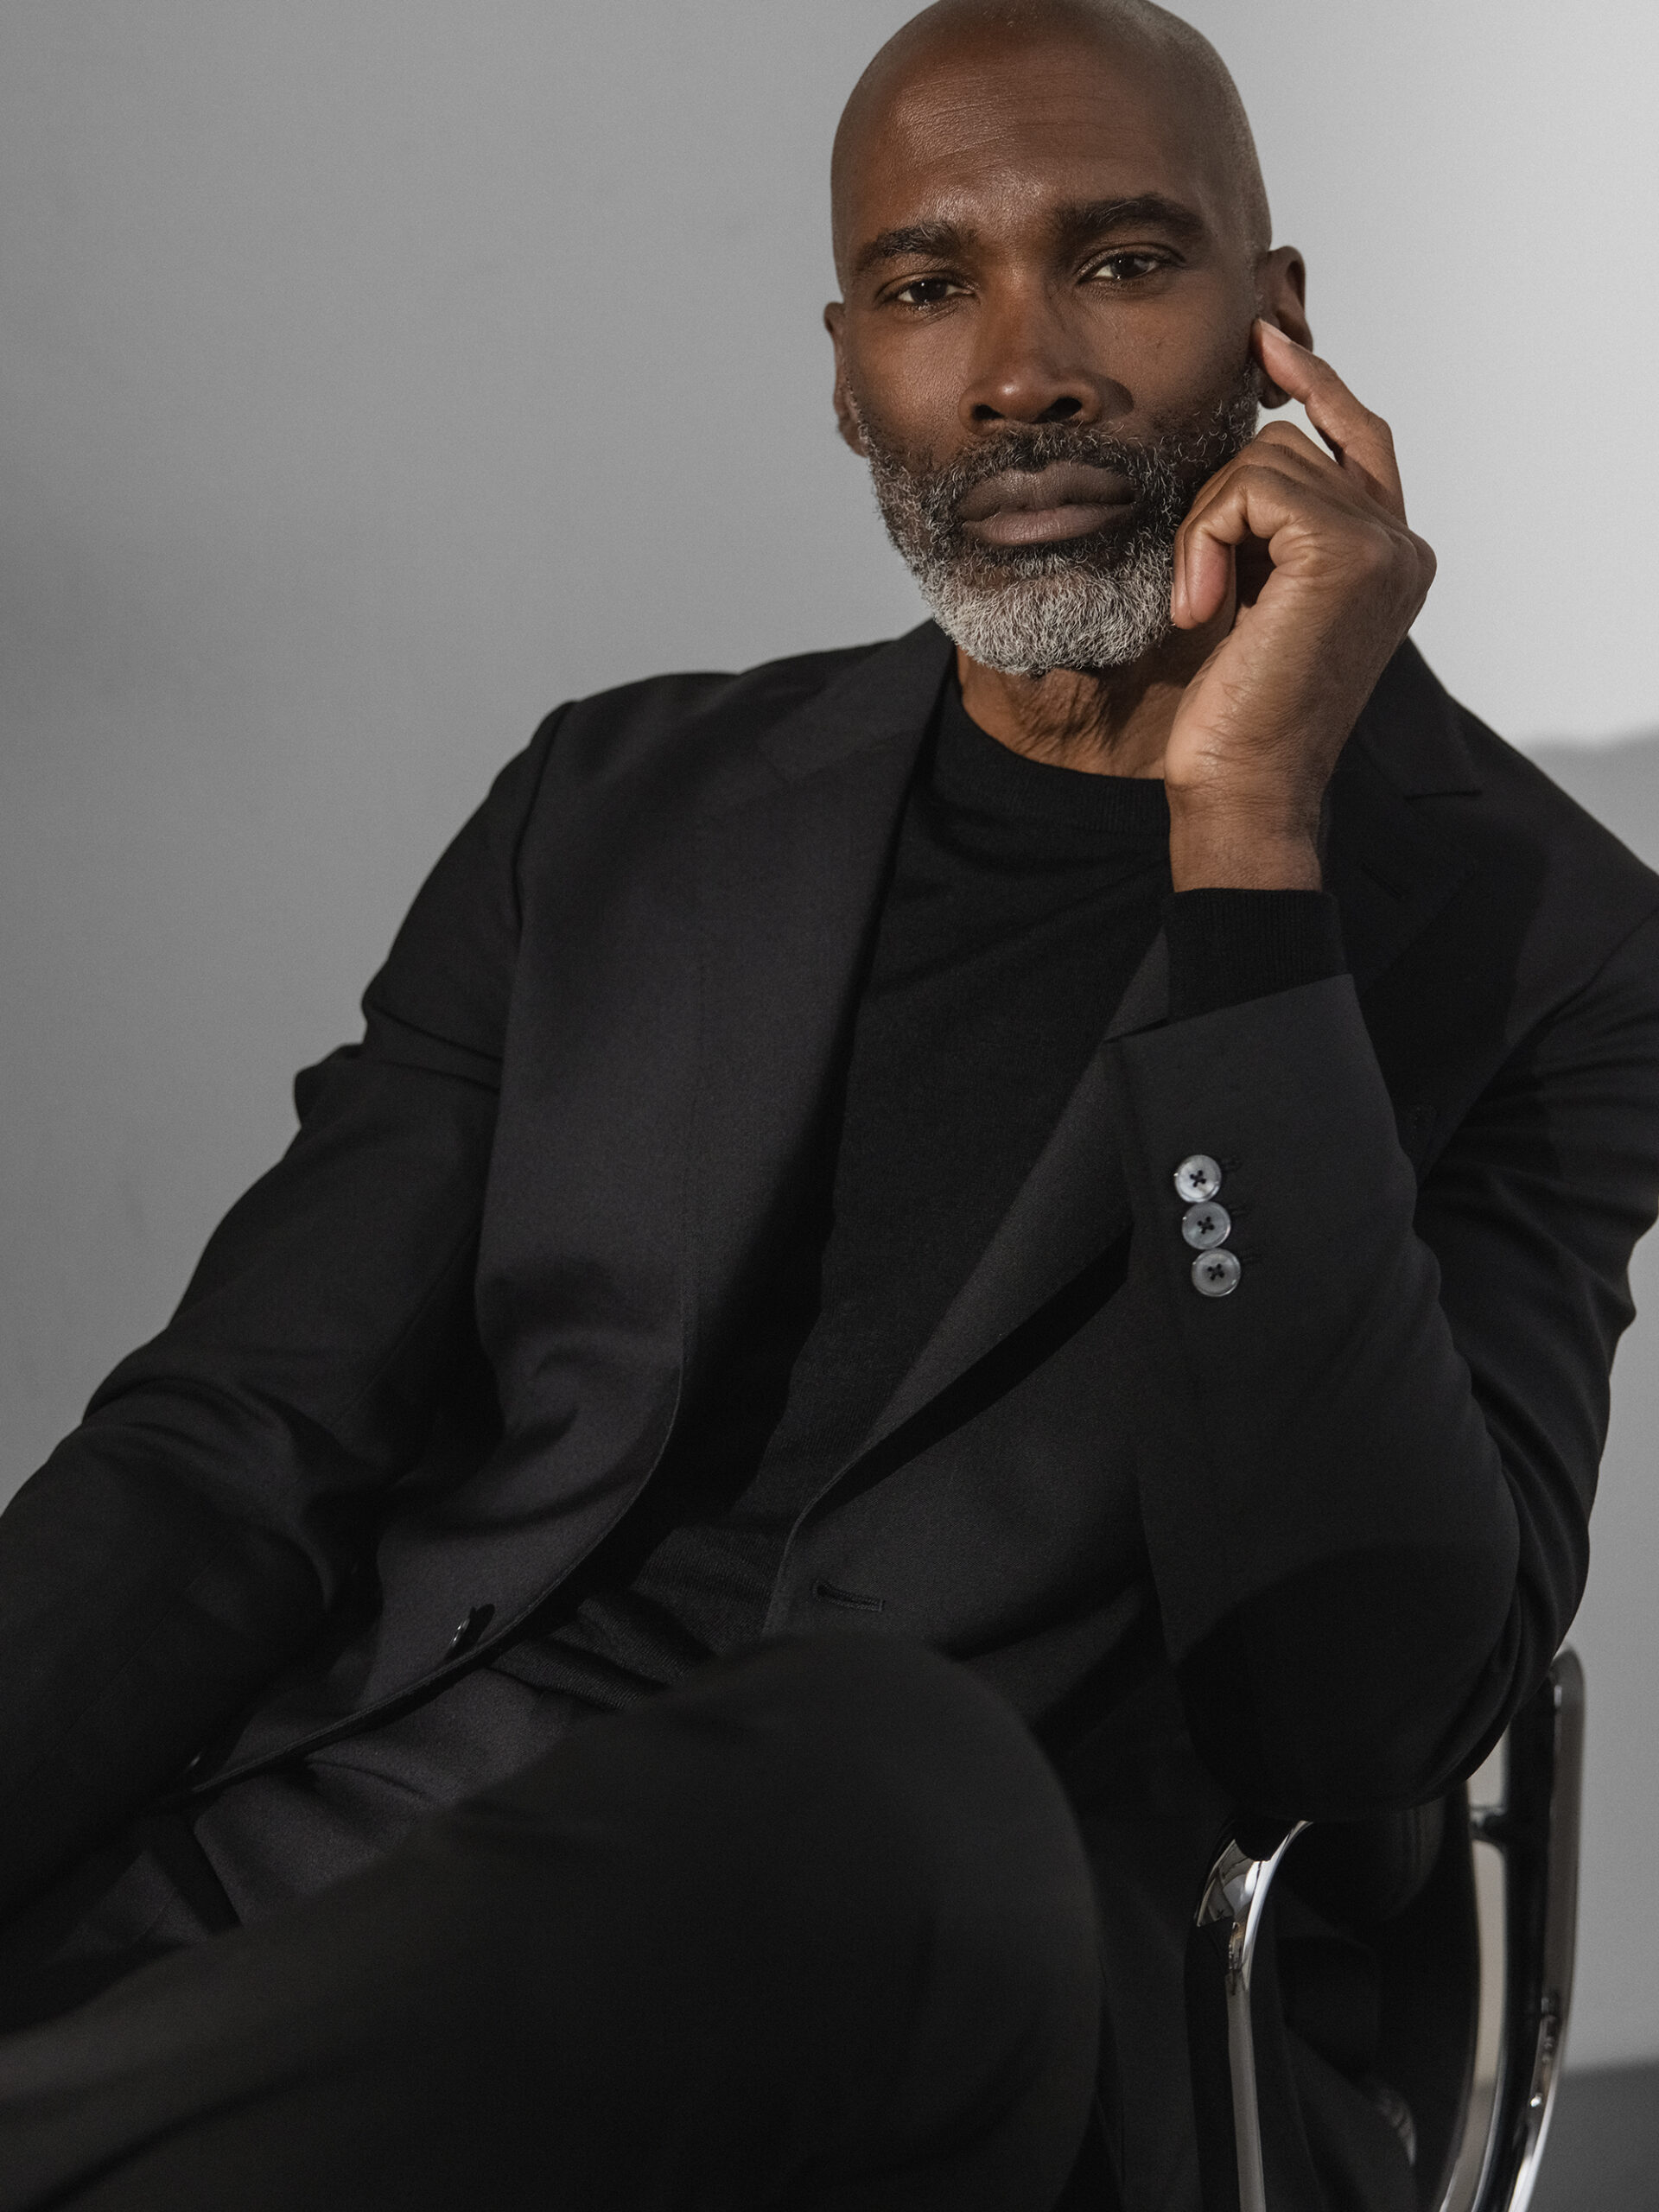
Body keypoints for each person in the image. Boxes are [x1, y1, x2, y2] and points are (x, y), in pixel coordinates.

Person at [2, 2, 1656, 2206]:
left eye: (1122, 261)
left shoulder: (1545, 942)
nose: (1021, 368)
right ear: (847, 367)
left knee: (874, 1765)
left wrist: (1251, 833)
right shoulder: (618, 809)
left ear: (1279, 326)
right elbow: (227, 1456)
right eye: (924, 284)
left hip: (970, 1968)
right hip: (343, 1922)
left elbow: (1359, 1705)